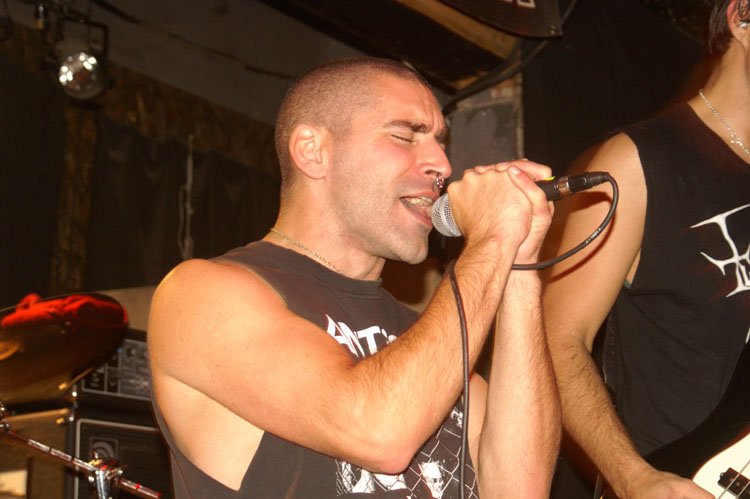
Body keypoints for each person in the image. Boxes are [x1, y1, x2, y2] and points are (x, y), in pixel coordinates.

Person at [147, 56, 561, 498]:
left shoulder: (428, 336)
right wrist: (490, 242)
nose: (442, 164)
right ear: (313, 151)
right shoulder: (202, 294)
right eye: (404, 136)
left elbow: (521, 489)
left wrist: (518, 265)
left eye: (441, 142)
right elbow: (380, 433)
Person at [541, 0, 750, 497]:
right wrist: (634, 478)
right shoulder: (636, 162)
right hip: (682, 479)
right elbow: (556, 339)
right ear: (742, 16)